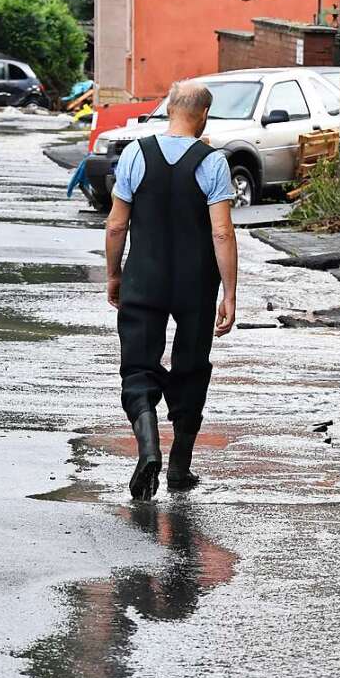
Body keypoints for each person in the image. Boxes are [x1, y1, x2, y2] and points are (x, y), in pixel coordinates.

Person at [104, 80, 238, 500]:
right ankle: (180, 466)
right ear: (203, 116)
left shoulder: (134, 154)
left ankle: (147, 448)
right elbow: (221, 232)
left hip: (144, 277)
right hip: (196, 284)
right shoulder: (212, 162)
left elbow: (116, 224)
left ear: (169, 110)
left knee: (138, 365)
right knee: (191, 366)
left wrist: (114, 274)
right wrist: (229, 294)